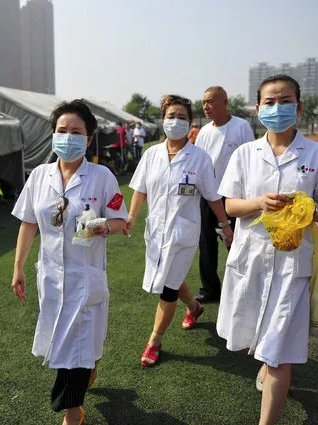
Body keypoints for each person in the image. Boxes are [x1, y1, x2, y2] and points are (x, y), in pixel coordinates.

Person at [216, 75, 318, 425]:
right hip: (251, 261)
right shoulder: (245, 154)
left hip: (292, 267)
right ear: (257, 110)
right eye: (269, 102)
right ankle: (265, 363)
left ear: (298, 106)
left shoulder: (317, 154)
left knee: (279, 355)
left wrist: (303, 208)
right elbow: (230, 206)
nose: (277, 108)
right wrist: (258, 203)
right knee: (252, 336)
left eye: (285, 101)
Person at [10, 99, 128, 425]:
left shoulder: (101, 177)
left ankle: (72, 415)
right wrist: (18, 266)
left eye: (76, 132)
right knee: (70, 347)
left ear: (88, 139)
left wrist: (102, 225)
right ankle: (89, 370)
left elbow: (121, 220)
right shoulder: (39, 176)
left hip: (85, 278)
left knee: (74, 352)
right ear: (53, 135)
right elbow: (28, 222)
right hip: (50, 276)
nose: (68, 137)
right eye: (62, 130)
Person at [125, 94, 234, 367]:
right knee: (169, 278)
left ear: (191, 122)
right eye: (171, 116)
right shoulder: (151, 155)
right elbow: (140, 189)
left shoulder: (199, 158)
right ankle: (194, 307)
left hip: (183, 234)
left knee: (168, 289)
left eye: (182, 117)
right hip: (156, 233)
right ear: (163, 120)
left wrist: (225, 224)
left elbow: (212, 196)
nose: (175, 122)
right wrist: (131, 216)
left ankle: (154, 341)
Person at [195, 86, 256, 303]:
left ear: (225, 102)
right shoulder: (203, 132)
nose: (206, 106)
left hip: (232, 196)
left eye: (210, 101)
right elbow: (199, 163)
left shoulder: (241, 127)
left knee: (235, 243)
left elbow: (251, 161)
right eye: (204, 102)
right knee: (206, 244)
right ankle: (210, 289)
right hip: (207, 196)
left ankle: (240, 288)